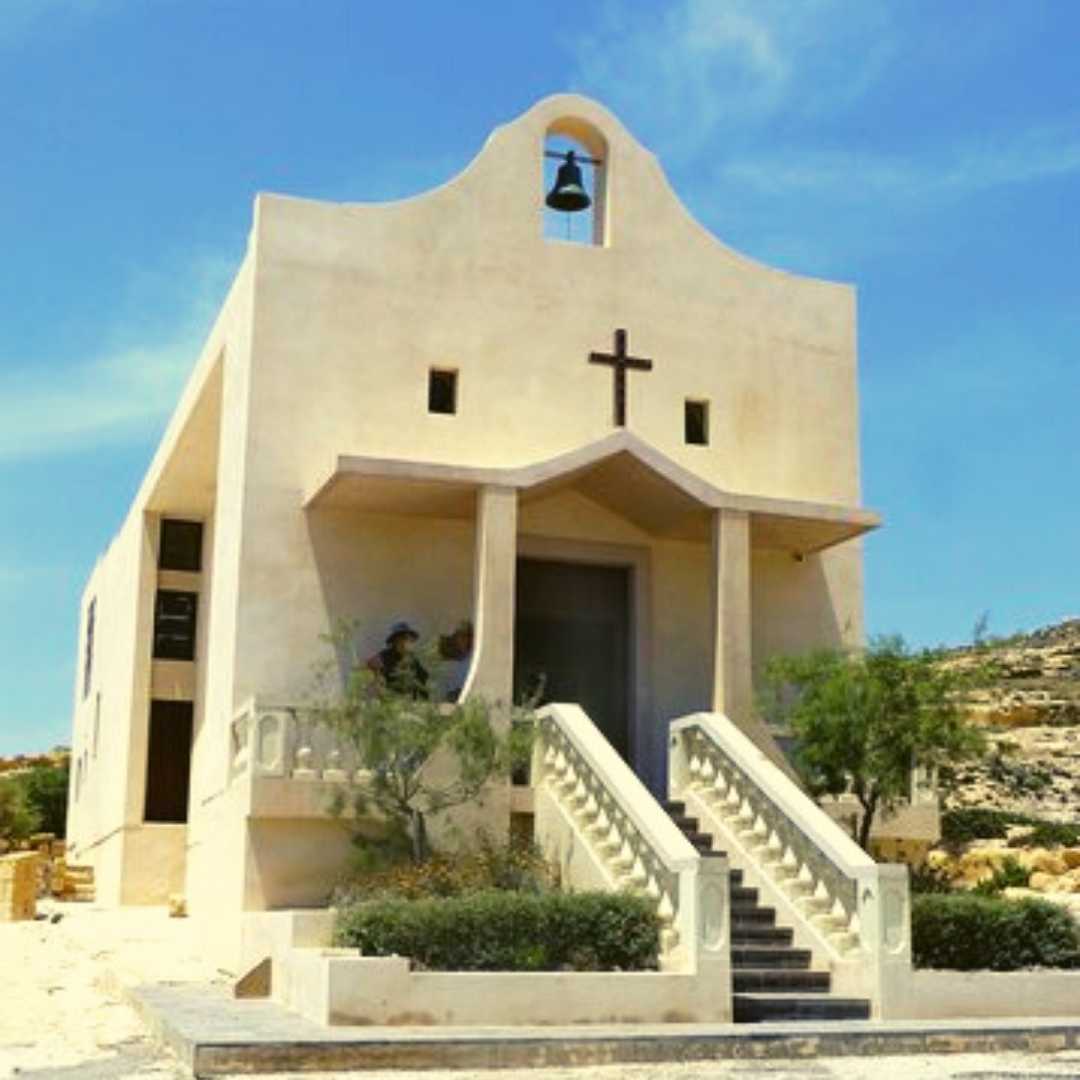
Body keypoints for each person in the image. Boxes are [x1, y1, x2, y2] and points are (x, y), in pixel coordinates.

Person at [367, 621, 429, 698]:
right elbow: (370, 669)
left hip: (409, 699)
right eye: (400, 639)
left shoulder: (412, 659)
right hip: (389, 697)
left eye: (407, 639)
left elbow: (423, 679)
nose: (404, 642)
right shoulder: (383, 656)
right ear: (394, 642)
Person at [437, 620, 474, 702]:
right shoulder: (449, 664)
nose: (465, 640)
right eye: (461, 636)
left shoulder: (472, 659)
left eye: (468, 636)